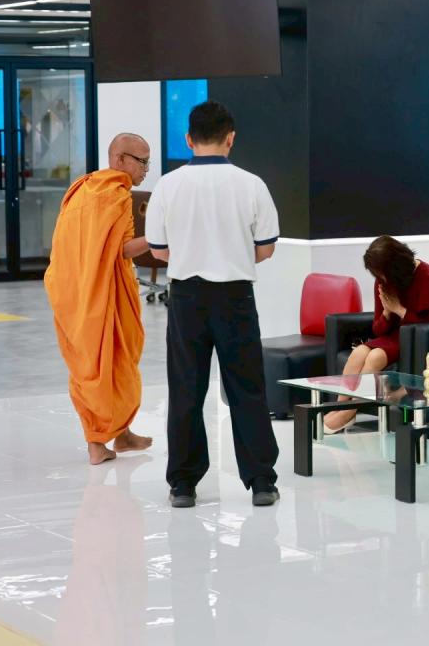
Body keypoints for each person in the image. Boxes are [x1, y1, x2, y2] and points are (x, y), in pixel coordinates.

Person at [144, 100, 281, 509]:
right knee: (247, 388)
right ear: (231, 138)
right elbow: (266, 249)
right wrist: (231, 255)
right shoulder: (252, 184)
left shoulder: (167, 186)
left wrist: (193, 255)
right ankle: (261, 481)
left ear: (189, 139)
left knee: (186, 388)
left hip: (187, 298)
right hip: (235, 297)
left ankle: (183, 484)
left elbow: (158, 250)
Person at [44, 133, 154, 465]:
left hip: (74, 289)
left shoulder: (83, 188)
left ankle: (122, 434)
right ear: (120, 159)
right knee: (105, 362)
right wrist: (158, 237)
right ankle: (96, 443)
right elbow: (122, 250)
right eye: (142, 161)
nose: (146, 169)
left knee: (102, 362)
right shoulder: (115, 196)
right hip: (98, 293)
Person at [323, 236, 429, 433]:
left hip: (417, 340)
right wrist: (387, 313)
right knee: (359, 352)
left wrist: (399, 310)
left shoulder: (428, 276)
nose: (381, 279)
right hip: (392, 337)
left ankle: (351, 411)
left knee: (375, 356)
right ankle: (339, 406)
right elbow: (378, 330)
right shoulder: (384, 280)